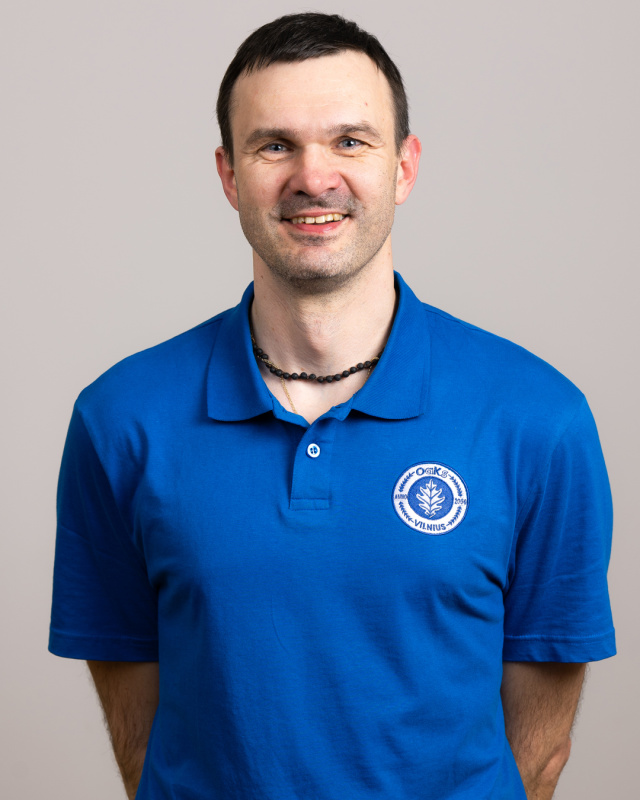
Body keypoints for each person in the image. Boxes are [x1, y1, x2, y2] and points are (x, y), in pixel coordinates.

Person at [48, 12, 616, 800]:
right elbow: (134, 710)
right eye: (274, 145)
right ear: (229, 176)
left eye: (350, 141)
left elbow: (540, 748)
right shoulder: (121, 420)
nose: (314, 178)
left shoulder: (538, 420)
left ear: (404, 168)